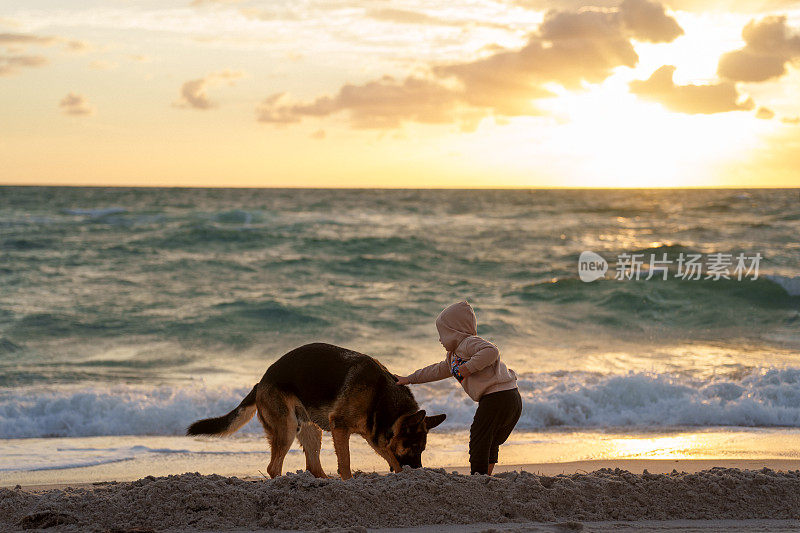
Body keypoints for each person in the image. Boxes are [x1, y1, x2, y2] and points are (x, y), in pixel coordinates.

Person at [396, 301, 521, 475]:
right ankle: (486, 476)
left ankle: (478, 478)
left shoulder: (469, 343)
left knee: (479, 437)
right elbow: (435, 371)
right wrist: (409, 379)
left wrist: (468, 367)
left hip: (498, 397)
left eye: (443, 334)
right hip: (509, 397)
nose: (440, 339)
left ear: (454, 332)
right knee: (490, 440)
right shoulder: (453, 357)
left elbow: (491, 351)